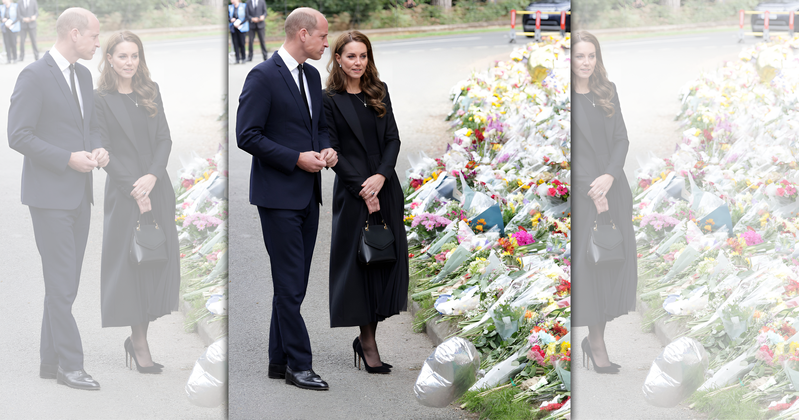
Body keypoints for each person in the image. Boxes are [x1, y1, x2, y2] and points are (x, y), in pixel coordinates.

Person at [236, 7, 337, 391]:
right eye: (323, 37)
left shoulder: (311, 76)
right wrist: (295, 158)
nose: (327, 44)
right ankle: (299, 364)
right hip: (277, 196)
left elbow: (320, 129)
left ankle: (278, 360)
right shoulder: (262, 76)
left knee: (292, 282)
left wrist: (327, 151)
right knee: (291, 284)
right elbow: (247, 135)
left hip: (308, 195)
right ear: (302, 34)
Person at [7, 7, 107, 390]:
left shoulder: (82, 75)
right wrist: (67, 159)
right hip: (49, 198)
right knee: (63, 285)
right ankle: (70, 364)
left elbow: (90, 127)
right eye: (95, 37)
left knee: (63, 283)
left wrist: (98, 150)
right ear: (75, 33)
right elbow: (19, 135)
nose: (99, 43)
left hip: (80, 196)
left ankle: (49, 362)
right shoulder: (33, 75)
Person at [93, 31, 180, 374]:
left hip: (156, 186)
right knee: (132, 267)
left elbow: (165, 138)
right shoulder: (99, 98)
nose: (129, 62)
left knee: (156, 263)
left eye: (135, 56)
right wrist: (134, 186)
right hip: (124, 192)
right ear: (110, 59)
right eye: (122, 56)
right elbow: (101, 146)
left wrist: (153, 176)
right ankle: (139, 342)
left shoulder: (151, 90)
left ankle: (141, 336)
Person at [323, 30, 408, 374]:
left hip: (384, 184)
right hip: (353, 190)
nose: (358, 62)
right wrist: (363, 187)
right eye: (351, 56)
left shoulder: (380, 90)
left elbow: (393, 138)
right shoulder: (328, 98)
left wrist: (382, 177)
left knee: (386, 261)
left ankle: (370, 334)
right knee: (361, 266)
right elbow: (331, 147)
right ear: (339, 59)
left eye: (363, 56)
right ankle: (367, 342)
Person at [570, 31, 637, 374]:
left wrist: (610, 177)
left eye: (590, 56)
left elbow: (622, 139)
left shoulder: (606, 91)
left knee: (611, 266)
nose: (585, 62)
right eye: (579, 56)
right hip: (584, 196)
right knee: (592, 271)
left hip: (614, 191)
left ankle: (595, 339)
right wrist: (592, 190)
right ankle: (596, 345)